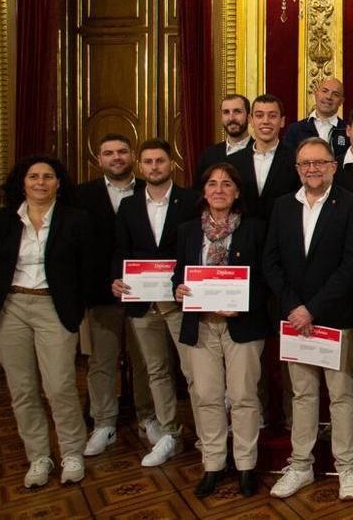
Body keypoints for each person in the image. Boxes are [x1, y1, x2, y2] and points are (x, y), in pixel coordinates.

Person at [264, 138, 353, 500]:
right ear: (297, 169)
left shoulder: (351, 206)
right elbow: (271, 262)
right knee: (303, 395)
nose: (312, 169)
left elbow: (352, 264)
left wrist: (314, 308)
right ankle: (300, 465)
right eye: (305, 163)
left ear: (333, 166)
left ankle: (347, 469)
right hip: (295, 320)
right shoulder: (282, 207)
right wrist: (295, 307)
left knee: (341, 396)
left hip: (335, 318)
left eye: (319, 162)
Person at [0, 155, 91, 487]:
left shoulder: (76, 219)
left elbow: (86, 268)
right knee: (23, 390)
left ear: (59, 182)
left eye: (48, 176)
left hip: (53, 308)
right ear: (22, 182)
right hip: (11, 307)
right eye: (33, 176)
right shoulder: (2, 219)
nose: (40, 182)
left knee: (59, 386)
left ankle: (72, 453)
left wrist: (74, 304)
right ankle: (39, 456)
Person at [172, 162, 269, 499]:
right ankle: (212, 464)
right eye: (212, 184)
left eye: (227, 184)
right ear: (203, 191)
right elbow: (178, 274)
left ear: (237, 191)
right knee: (207, 397)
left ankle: (245, 465)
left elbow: (266, 278)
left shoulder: (255, 229)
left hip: (242, 324)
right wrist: (178, 289)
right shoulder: (187, 230)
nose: (219, 190)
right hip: (200, 325)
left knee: (243, 397)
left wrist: (243, 303)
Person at [110, 139, 201, 468]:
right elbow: (121, 250)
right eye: (147, 162)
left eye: (159, 161)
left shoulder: (190, 200)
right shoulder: (129, 206)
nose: (153, 167)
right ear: (139, 166)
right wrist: (116, 279)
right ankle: (170, 434)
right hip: (142, 302)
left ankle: (207, 433)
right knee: (156, 370)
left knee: (193, 371)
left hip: (180, 303)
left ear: (171, 164)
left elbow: (197, 248)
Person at [75, 133, 154, 458]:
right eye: (109, 153)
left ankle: (148, 418)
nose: (116, 157)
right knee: (102, 362)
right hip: (100, 293)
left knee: (146, 362)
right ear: (99, 160)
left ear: (132, 156)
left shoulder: (148, 188)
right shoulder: (81, 196)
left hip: (143, 292)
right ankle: (103, 423)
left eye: (122, 152)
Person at [229, 94, 297, 220]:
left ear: (282, 121)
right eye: (259, 115)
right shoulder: (233, 162)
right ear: (251, 120)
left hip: (283, 234)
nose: (266, 121)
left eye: (272, 116)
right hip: (244, 235)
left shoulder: (296, 160)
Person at [193, 93, 252, 190]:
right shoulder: (208, 155)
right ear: (221, 117)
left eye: (237, 111)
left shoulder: (258, 153)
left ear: (249, 118)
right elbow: (197, 193)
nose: (231, 118)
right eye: (226, 112)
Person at [283, 77, 349, 163]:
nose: (329, 97)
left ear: (341, 101)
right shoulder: (295, 130)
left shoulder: (348, 131)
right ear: (316, 93)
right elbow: (287, 163)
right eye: (325, 91)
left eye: (335, 94)